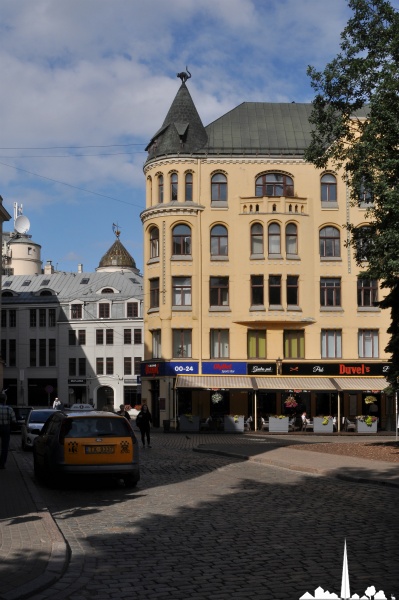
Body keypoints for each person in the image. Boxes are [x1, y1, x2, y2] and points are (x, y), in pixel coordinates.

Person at [0, 393, 16, 469]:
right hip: (6, 428)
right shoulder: (9, 409)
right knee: (5, 446)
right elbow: (14, 420)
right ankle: (2, 464)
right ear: (5, 400)